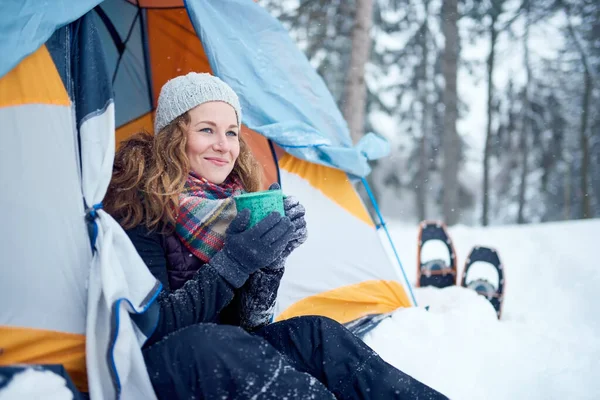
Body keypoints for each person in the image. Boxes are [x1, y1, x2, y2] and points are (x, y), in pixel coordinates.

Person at [104, 72, 447, 399]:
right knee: (211, 342)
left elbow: (248, 324)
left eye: (232, 132)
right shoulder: (138, 205)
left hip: (222, 353)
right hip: (159, 367)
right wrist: (235, 261)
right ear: (174, 136)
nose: (223, 146)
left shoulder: (232, 204)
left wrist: (270, 260)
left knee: (316, 335)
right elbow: (153, 325)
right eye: (207, 130)